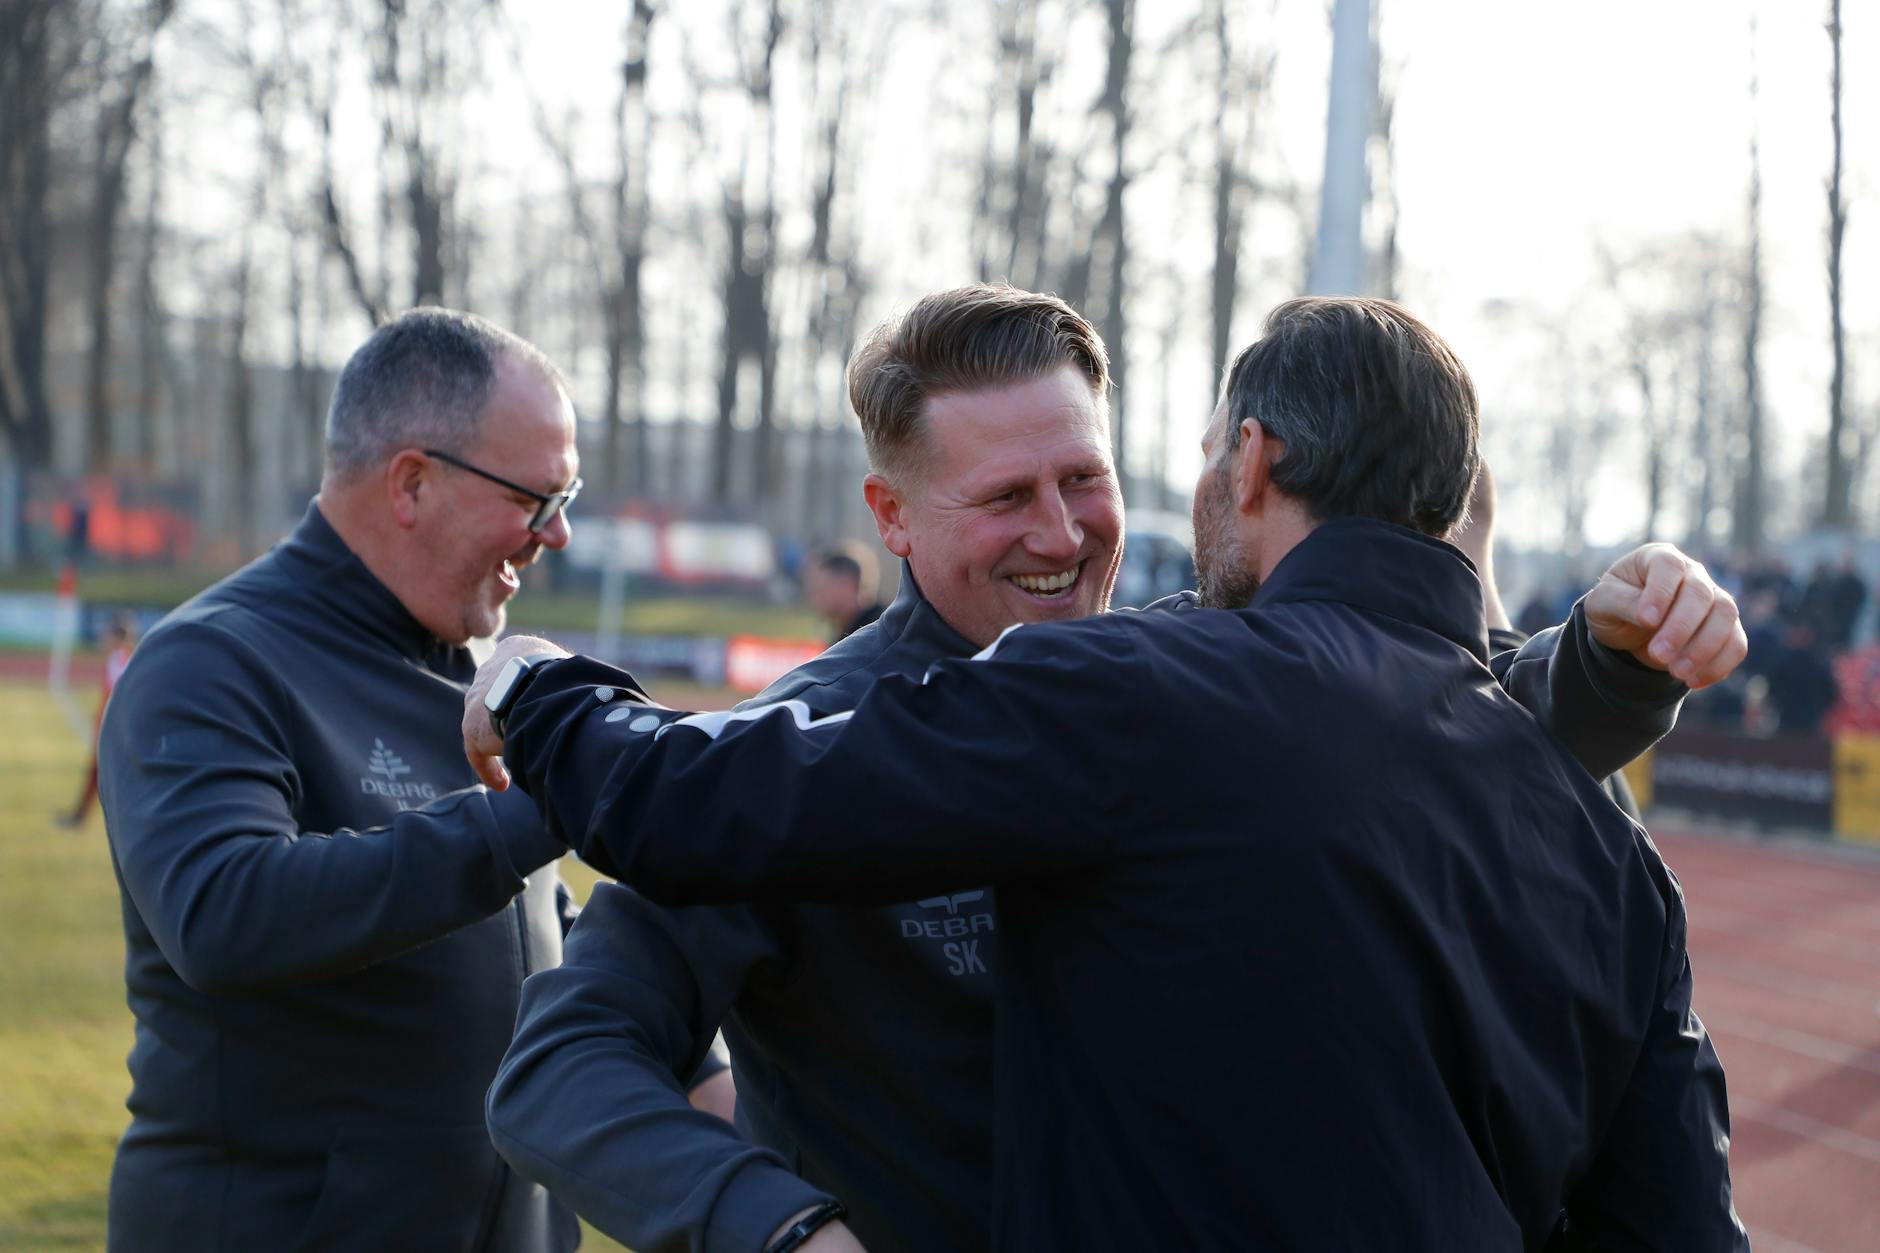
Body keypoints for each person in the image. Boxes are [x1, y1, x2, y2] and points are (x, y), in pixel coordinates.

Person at [475, 291, 1748, 1250]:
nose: (1061, 531)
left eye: (1086, 478)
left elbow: (1394, 715)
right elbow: (560, 1068)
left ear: (1229, 466)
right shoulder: (801, 742)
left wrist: (1602, 670)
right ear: (890, 517)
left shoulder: (1176, 683)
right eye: (1005, 494)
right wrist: (780, 1228)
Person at [96, 308, 723, 1252]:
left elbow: (528, 934)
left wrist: (694, 1055)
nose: (555, 534)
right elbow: (221, 911)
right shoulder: (211, 661)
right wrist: (544, 807)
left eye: (569, 496)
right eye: (537, 498)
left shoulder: (480, 668)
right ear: (412, 483)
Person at [60, 612, 137, 829]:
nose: (104, 639)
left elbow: (121, 696)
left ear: (117, 637)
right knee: (99, 775)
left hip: (113, 731)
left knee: (102, 775)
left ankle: (80, 818)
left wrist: (110, 726)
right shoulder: (121, 658)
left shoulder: (120, 661)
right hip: (111, 729)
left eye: (108, 635)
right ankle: (79, 817)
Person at [803, 542, 886, 641]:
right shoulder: (851, 631)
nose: (815, 595)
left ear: (847, 585)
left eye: (821, 588)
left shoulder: (878, 633)